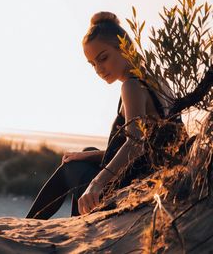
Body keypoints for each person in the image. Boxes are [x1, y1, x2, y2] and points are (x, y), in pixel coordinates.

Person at [25, 11, 186, 219]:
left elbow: (135, 143)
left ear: (124, 47)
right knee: (87, 152)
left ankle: (41, 225)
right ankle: (72, 222)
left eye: (103, 58)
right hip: (151, 173)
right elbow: (148, 146)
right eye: (93, 64)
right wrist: (89, 155)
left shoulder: (131, 85)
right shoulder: (155, 80)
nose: (99, 69)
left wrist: (96, 184)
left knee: (71, 168)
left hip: (134, 185)